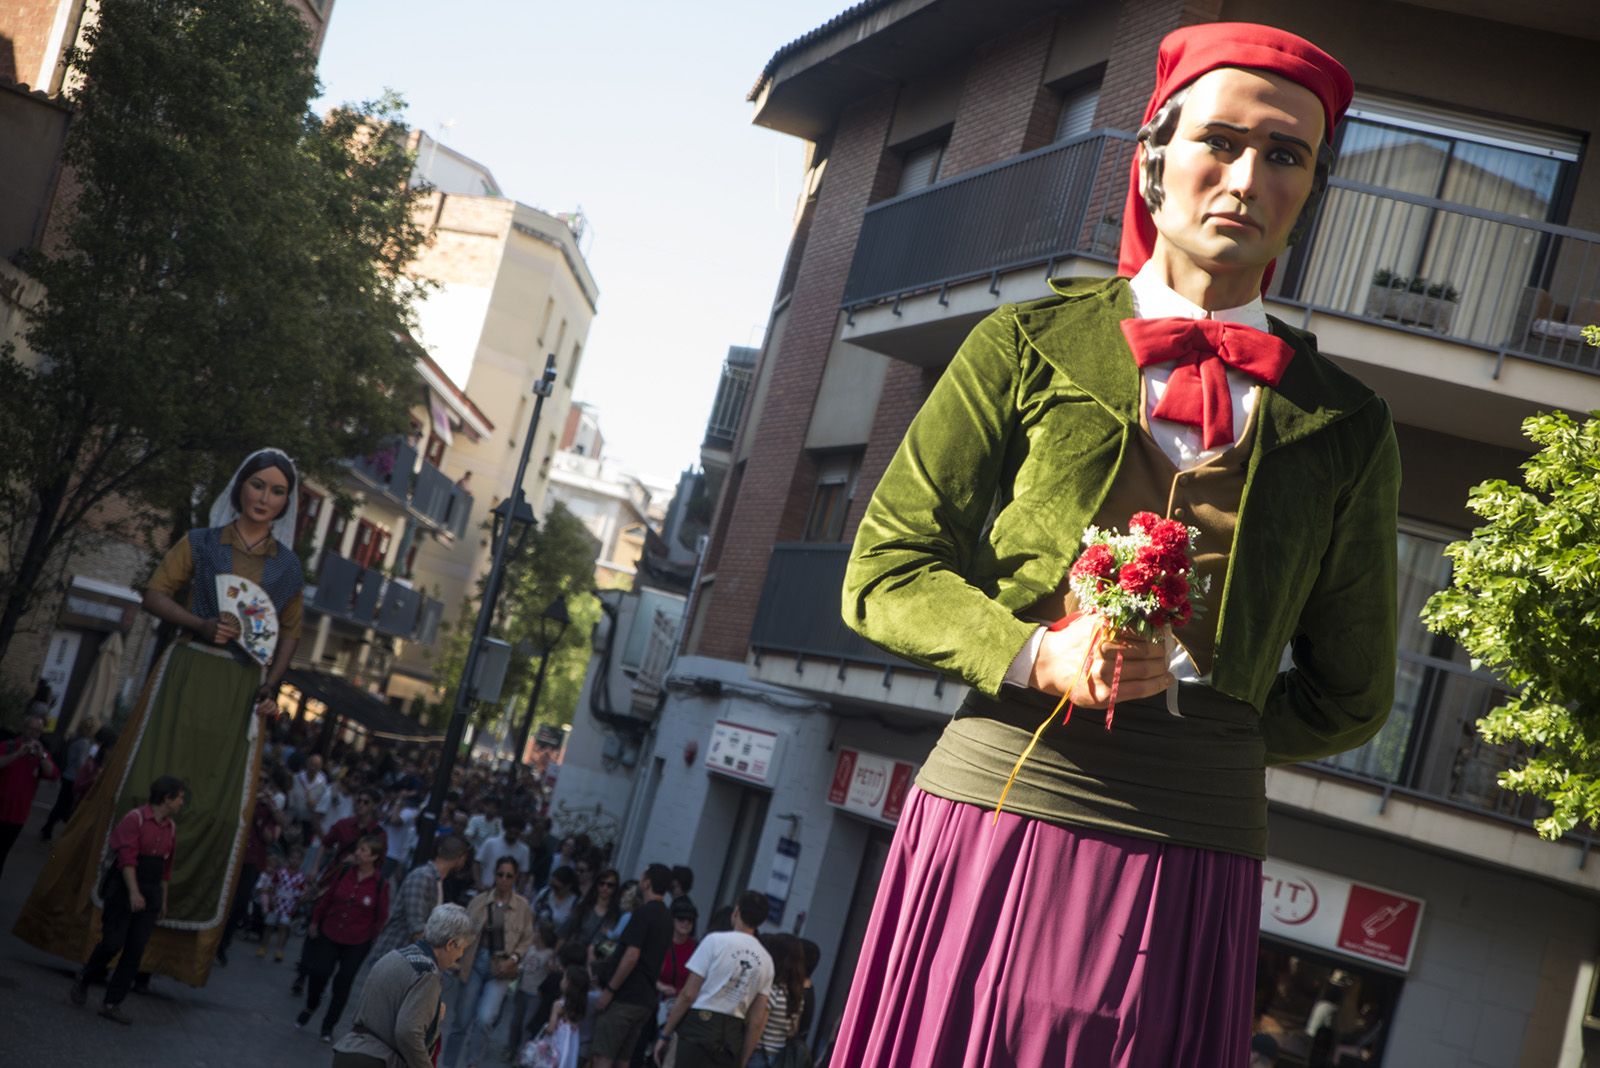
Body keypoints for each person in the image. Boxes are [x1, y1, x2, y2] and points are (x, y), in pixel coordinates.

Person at [832, 24, 1398, 1067]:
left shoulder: (1348, 424)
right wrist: (1035, 653)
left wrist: (1205, 719)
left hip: (1196, 843)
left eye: (1284, 156)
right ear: (1151, 159)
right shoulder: (1022, 342)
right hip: (999, 798)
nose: (1243, 178)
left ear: (1311, 189)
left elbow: (1353, 692)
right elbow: (886, 572)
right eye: (1217, 143)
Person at [15, 448, 306, 985]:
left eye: (277, 490)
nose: (265, 498)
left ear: (287, 500)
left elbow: (288, 631)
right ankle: (96, 935)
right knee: (135, 794)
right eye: (258, 485)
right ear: (240, 486)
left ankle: (155, 952)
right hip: (187, 673)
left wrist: (271, 686)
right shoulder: (198, 542)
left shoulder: (288, 567)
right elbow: (152, 594)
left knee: (213, 816)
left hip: (241, 691)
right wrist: (199, 624)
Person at [69, 775, 185, 1024]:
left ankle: (112, 1003)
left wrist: (162, 900)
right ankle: (86, 976)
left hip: (151, 890)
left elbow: (166, 868)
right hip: (125, 887)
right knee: (112, 942)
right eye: (180, 797)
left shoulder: (171, 828)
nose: (181, 802)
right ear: (167, 798)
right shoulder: (136, 819)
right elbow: (127, 859)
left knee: (135, 950)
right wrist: (134, 892)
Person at [332, 902, 475, 1068]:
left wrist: (432, 1013)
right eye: (462, 948)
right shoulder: (428, 974)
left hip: (349, 1051)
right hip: (377, 1060)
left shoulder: (396, 955)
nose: (460, 955)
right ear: (451, 944)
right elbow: (408, 1032)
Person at [655, 890, 774, 1068]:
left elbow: (688, 994)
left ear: (737, 911)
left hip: (698, 1028)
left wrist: (665, 1034)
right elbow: (757, 1020)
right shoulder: (766, 960)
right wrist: (743, 1059)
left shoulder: (715, 941)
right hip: (732, 1037)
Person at [442, 855, 534, 1068]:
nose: (503, 879)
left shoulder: (523, 907)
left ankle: (473, 1063)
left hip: (501, 967)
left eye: (509, 876)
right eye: (500, 874)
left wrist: (514, 959)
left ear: (515, 878)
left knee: (485, 1019)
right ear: (494, 876)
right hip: (474, 962)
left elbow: (527, 938)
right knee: (462, 1021)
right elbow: (462, 930)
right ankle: (448, 1064)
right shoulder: (480, 901)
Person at [299, 835, 391, 1043]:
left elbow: (381, 916)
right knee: (319, 972)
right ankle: (311, 1004)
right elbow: (328, 898)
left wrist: (371, 939)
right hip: (331, 931)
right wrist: (315, 921)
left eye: (364, 851)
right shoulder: (344, 872)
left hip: (357, 941)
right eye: (358, 849)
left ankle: (328, 1025)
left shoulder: (380, 884)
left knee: (343, 982)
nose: (358, 853)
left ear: (374, 857)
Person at [590, 863, 673, 1068]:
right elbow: (660, 960)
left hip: (625, 996)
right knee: (623, 1059)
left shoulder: (643, 913)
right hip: (644, 1000)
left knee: (604, 1056)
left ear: (647, 883)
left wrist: (610, 990)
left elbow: (631, 954)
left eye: (643, 877)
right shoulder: (667, 918)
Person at [369, 834, 472, 963]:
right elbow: (417, 928)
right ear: (461, 858)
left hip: (404, 958)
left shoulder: (436, 880)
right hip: (393, 954)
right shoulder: (422, 877)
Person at [0, 712, 60, 878]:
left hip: (17, 815)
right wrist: (17, 754)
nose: (32, 733)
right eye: (30, 729)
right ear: (23, 728)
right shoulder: (9, 746)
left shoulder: (41, 754)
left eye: (37, 731)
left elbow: (53, 774)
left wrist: (41, 756)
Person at [749, 933, 806, 1068]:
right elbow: (792, 1030)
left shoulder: (772, 990)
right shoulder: (796, 994)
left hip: (758, 1053)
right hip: (778, 1056)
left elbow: (757, 1026)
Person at [40, 716, 96, 841]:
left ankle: (48, 827)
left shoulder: (75, 738)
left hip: (67, 775)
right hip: (73, 778)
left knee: (61, 804)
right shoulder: (84, 743)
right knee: (65, 805)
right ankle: (50, 828)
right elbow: (80, 763)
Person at [262, 843, 308, 962]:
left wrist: (298, 905)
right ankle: (264, 946)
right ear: (288, 858)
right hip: (276, 903)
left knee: (283, 927)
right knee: (269, 925)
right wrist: (271, 899)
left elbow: (301, 894)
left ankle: (279, 950)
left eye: (298, 859)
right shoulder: (281, 872)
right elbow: (272, 886)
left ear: (302, 861)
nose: (295, 861)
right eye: (293, 858)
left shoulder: (301, 877)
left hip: (288, 906)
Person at [560, 865, 620, 957]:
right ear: (597, 885)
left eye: (610, 885)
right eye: (602, 883)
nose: (605, 887)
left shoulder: (617, 915)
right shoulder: (584, 907)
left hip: (596, 961)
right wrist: (554, 955)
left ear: (615, 888)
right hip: (573, 955)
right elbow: (565, 932)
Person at [472, 815, 529, 892]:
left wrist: (518, 894)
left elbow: (523, 874)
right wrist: (479, 884)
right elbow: (477, 864)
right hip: (486, 890)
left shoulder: (524, 850)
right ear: (505, 828)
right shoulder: (490, 843)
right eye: (511, 829)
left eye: (517, 830)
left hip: (508, 895)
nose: (513, 832)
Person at [532, 864, 579, 932]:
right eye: (552, 885)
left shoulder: (575, 903)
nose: (553, 890)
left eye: (557, 888)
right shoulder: (545, 893)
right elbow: (532, 914)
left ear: (568, 886)